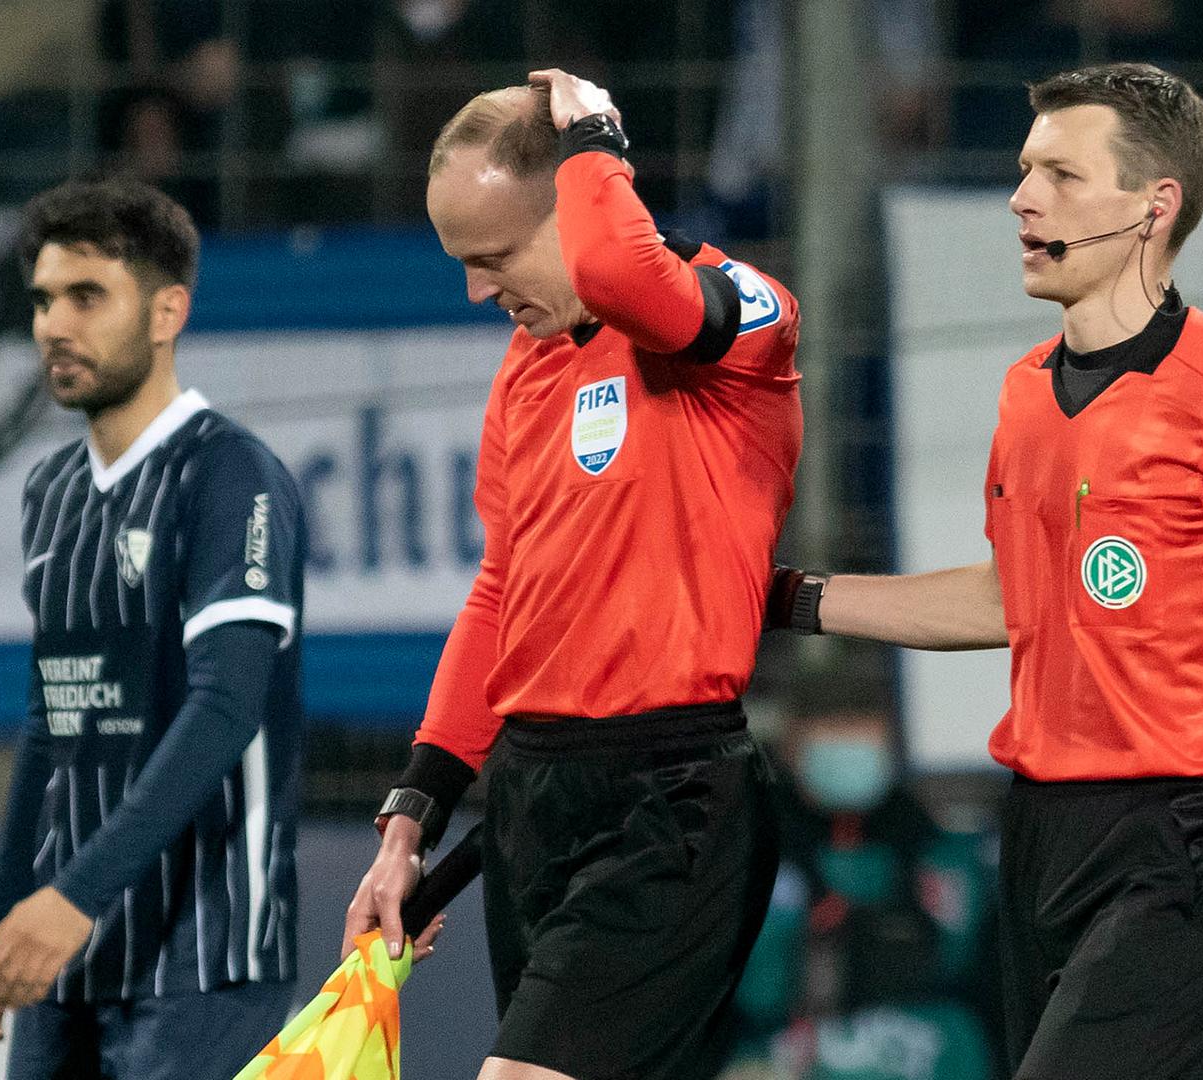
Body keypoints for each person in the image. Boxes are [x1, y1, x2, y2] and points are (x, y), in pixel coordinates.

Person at [770, 64, 1203, 1080]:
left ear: (1154, 207)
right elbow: (1016, 597)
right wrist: (793, 600)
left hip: (1180, 846)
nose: (1023, 198)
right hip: (1035, 832)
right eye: (1026, 171)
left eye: (1062, 176)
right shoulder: (1025, 393)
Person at [343, 69, 803, 1080]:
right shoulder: (527, 366)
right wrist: (410, 818)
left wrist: (596, 130)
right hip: (533, 799)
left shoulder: (740, 321)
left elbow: (627, 275)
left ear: (582, 197)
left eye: (495, 255)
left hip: (672, 802)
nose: (477, 290)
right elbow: (502, 591)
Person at [0, 179, 310, 1080]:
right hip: (72, 960)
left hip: (207, 960)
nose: (53, 325)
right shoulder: (50, 492)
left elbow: (226, 709)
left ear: (167, 310)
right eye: (42, 300)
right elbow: (49, 729)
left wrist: (69, 901)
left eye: (87, 296)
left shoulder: (231, 475)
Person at [724, 698, 998, 1080]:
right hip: (778, 1044)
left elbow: (960, 959)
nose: (849, 749)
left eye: (860, 729)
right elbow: (751, 986)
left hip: (919, 1037)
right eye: (833, 732)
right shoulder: (753, 854)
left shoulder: (932, 848)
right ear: (794, 751)